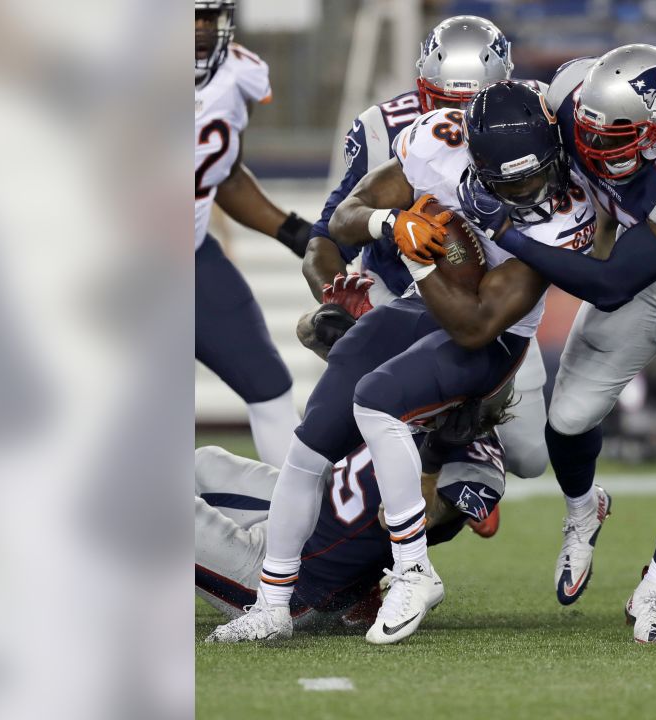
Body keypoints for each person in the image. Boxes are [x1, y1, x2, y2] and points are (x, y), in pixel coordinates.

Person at [206, 80, 595, 646]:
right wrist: (390, 225)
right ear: (473, 157)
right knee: (309, 446)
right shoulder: (439, 142)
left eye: (536, 174)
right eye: (510, 181)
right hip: (421, 305)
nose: (529, 190)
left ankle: (413, 571)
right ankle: (272, 604)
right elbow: (343, 218)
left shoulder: (567, 210)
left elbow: (475, 324)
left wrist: (419, 261)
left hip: (493, 333)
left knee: (378, 399)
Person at [468, 45, 656, 642]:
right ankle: (584, 512)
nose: (591, 144)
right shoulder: (572, 95)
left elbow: (609, 285)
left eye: (614, 136)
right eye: (584, 125)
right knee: (569, 418)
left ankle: (654, 592)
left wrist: (505, 230)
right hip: (643, 249)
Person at [301, 15, 553, 481]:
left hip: (494, 309)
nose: (459, 123)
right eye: (445, 103)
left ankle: (473, 438)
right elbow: (325, 239)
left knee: (531, 459)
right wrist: (337, 297)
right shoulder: (385, 128)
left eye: (474, 104)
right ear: (422, 89)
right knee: (342, 420)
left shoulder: (532, 120)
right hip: (398, 293)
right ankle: (436, 446)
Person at [198, 396, 508, 635]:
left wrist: (432, 460)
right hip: (299, 521)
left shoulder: (476, 461)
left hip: (297, 583)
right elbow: (315, 335)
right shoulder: (416, 393)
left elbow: (404, 519)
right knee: (203, 462)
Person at [194, 0, 311, 466]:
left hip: (193, 258)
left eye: (210, 16)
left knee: (269, 388)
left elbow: (224, 174)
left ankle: (298, 531)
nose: (202, 29)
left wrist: (289, 230)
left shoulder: (239, 73)